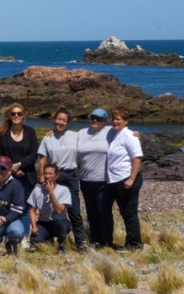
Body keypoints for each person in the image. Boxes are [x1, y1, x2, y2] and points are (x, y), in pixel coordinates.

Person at [37, 108, 86, 252]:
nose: (61, 122)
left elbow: (96, 132)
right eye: (59, 119)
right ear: (54, 120)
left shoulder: (75, 135)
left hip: (70, 176)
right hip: (53, 176)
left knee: (74, 210)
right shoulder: (48, 138)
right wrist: (42, 177)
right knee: (54, 210)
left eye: (64, 120)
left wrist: (132, 133)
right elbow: (43, 159)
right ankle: (60, 242)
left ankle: (80, 241)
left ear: (68, 123)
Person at [0, 102, 39, 245]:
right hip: (7, 177)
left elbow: (34, 154)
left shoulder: (30, 131)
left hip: (26, 176)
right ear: (9, 115)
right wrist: (10, 168)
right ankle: (10, 236)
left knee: (25, 207)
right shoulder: (2, 133)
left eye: (19, 113)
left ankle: (24, 238)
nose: (16, 116)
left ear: (23, 116)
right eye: (13, 114)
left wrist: (20, 166)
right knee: (8, 206)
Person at [101, 106, 144, 251]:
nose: (115, 121)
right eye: (113, 119)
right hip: (113, 180)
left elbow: (137, 158)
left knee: (129, 213)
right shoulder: (113, 133)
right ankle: (107, 241)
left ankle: (134, 244)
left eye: (118, 119)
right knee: (107, 210)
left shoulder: (129, 136)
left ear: (126, 121)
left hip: (126, 180)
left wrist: (131, 179)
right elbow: (96, 128)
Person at [76, 108, 112, 248]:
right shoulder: (81, 133)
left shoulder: (110, 131)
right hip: (85, 180)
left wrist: (136, 134)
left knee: (103, 212)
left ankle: (107, 241)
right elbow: (65, 137)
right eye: (93, 118)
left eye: (99, 119)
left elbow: (124, 133)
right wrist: (50, 133)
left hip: (104, 180)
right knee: (91, 212)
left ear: (104, 121)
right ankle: (95, 239)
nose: (95, 121)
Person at [28, 163, 72, 254]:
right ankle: (48, 239)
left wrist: (51, 193)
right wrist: (34, 227)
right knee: (35, 240)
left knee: (58, 218)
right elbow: (32, 210)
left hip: (59, 222)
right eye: (45, 173)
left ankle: (61, 246)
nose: (47, 176)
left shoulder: (64, 190)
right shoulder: (37, 190)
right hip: (44, 222)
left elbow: (59, 210)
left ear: (56, 176)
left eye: (50, 174)